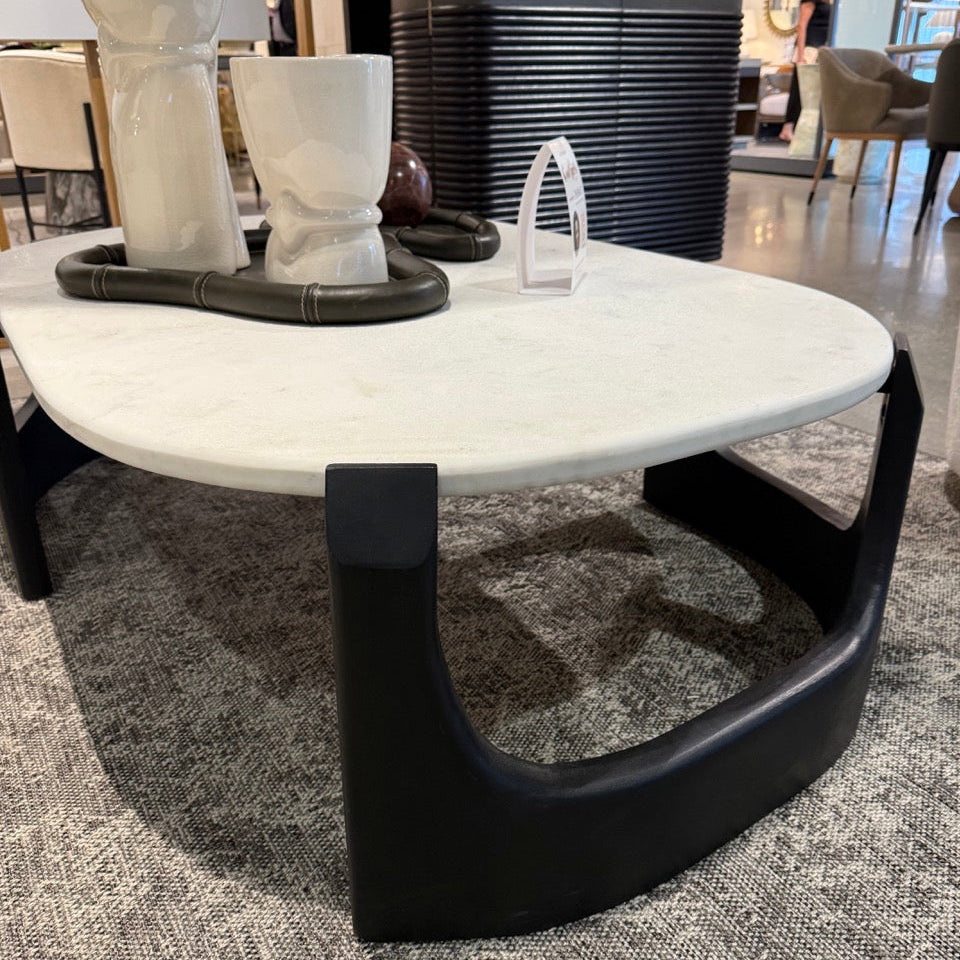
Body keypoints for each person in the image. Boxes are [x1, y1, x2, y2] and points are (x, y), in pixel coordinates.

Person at [779, 0, 832, 142]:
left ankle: (799, 130)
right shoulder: (810, 1)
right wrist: (801, 56)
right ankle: (787, 128)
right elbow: (802, 26)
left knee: (810, 92)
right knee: (799, 90)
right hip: (809, 50)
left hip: (820, 49)